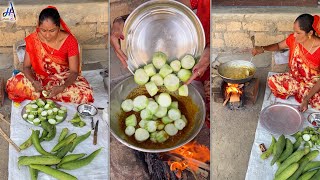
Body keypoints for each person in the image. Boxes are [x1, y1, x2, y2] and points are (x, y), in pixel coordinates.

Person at [110, 0, 210, 127]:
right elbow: (171, 5)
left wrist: (211, 50)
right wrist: (124, 20)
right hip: (198, 54)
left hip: (210, 57)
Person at [6, 6, 94, 104]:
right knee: (13, 85)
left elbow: (74, 72)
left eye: (52, 30)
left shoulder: (70, 41)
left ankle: (42, 95)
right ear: (39, 27)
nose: (47, 35)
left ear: (59, 27)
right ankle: (49, 95)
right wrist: (34, 82)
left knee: (85, 93)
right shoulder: (33, 40)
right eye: (43, 30)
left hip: (63, 78)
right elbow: (26, 67)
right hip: (39, 78)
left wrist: (62, 87)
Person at [252, 14, 320, 112]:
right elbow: (279, 46)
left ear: (310, 33)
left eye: (298, 32)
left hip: (314, 85)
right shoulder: (294, 39)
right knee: (272, 81)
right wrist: (262, 48)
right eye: (294, 31)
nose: (294, 35)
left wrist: (307, 98)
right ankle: (301, 94)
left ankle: (304, 97)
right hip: (296, 80)